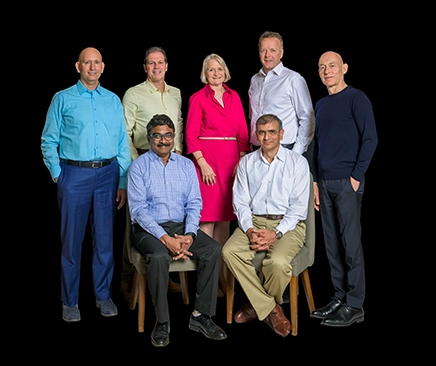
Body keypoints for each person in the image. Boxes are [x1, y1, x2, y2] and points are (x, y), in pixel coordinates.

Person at [41, 47, 131, 323]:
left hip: (107, 175)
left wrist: (122, 180)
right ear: (77, 66)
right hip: (74, 175)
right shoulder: (63, 99)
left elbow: (121, 143)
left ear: (103, 67)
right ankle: (70, 301)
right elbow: (48, 140)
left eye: (96, 63)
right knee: (72, 242)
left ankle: (103, 296)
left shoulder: (113, 100)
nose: (92, 67)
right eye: (86, 62)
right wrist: (59, 175)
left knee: (104, 240)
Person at [128, 114, 227, 347]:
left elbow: (194, 203)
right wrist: (164, 239)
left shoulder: (186, 166)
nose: (163, 140)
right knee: (159, 255)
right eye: (157, 136)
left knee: (213, 249)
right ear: (149, 138)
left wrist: (191, 235)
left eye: (168, 135)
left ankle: (201, 316)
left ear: (174, 137)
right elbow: (139, 211)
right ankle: (162, 321)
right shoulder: (138, 167)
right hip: (148, 230)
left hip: (181, 228)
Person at [222, 113, 311, 338]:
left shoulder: (298, 162)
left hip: (287, 224)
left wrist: (276, 233)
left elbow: (299, 208)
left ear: (282, 134)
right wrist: (250, 230)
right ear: (257, 135)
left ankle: (257, 306)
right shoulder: (247, 162)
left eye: (272, 132)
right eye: (262, 132)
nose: (266, 137)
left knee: (279, 263)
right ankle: (271, 309)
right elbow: (240, 202)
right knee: (228, 251)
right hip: (253, 221)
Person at [309, 51, 378, 327]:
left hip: (346, 182)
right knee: (332, 244)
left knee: (350, 244)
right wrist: (314, 180)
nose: (327, 71)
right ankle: (339, 297)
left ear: (344, 68)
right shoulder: (322, 104)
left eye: (332, 66)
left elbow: (370, 139)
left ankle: (355, 304)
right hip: (323, 183)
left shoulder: (357, 98)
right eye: (322, 67)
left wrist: (356, 177)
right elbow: (316, 145)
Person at [120, 46, 183, 301]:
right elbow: (124, 133)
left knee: (167, 216)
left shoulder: (176, 93)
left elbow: (177, 125)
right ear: (145, 67)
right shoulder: (133, 93)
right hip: (143, 160)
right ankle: (128, 276)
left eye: (160, 63)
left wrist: (179, 159)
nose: (156, 67)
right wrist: (137, 164)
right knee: (136, 220)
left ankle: (164, 275)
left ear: (166, 65)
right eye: (151, 63)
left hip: (172, 161)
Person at [185, 53, 250, 296]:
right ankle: (207, 279)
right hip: (208, 162)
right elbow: (191, 134)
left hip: (232, 162)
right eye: (211, 70)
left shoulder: (235, 97)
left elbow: (243, 131)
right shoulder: (197, 98)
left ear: (225, 71)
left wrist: (242, 160)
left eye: (219, 69)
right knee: (207, 219)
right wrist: (202, 163)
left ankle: (222, 276)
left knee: (225, 219)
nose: (216, 73)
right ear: (205, 73)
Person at [248, 31, 315, 155]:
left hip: (285, 149)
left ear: (281, 53)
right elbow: (252, 116)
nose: (267, 55)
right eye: (263, 50)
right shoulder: (254, 80)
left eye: (273, 50)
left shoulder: (293, 79)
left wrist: (296, 153)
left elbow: (307, 118)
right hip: (257, 149)